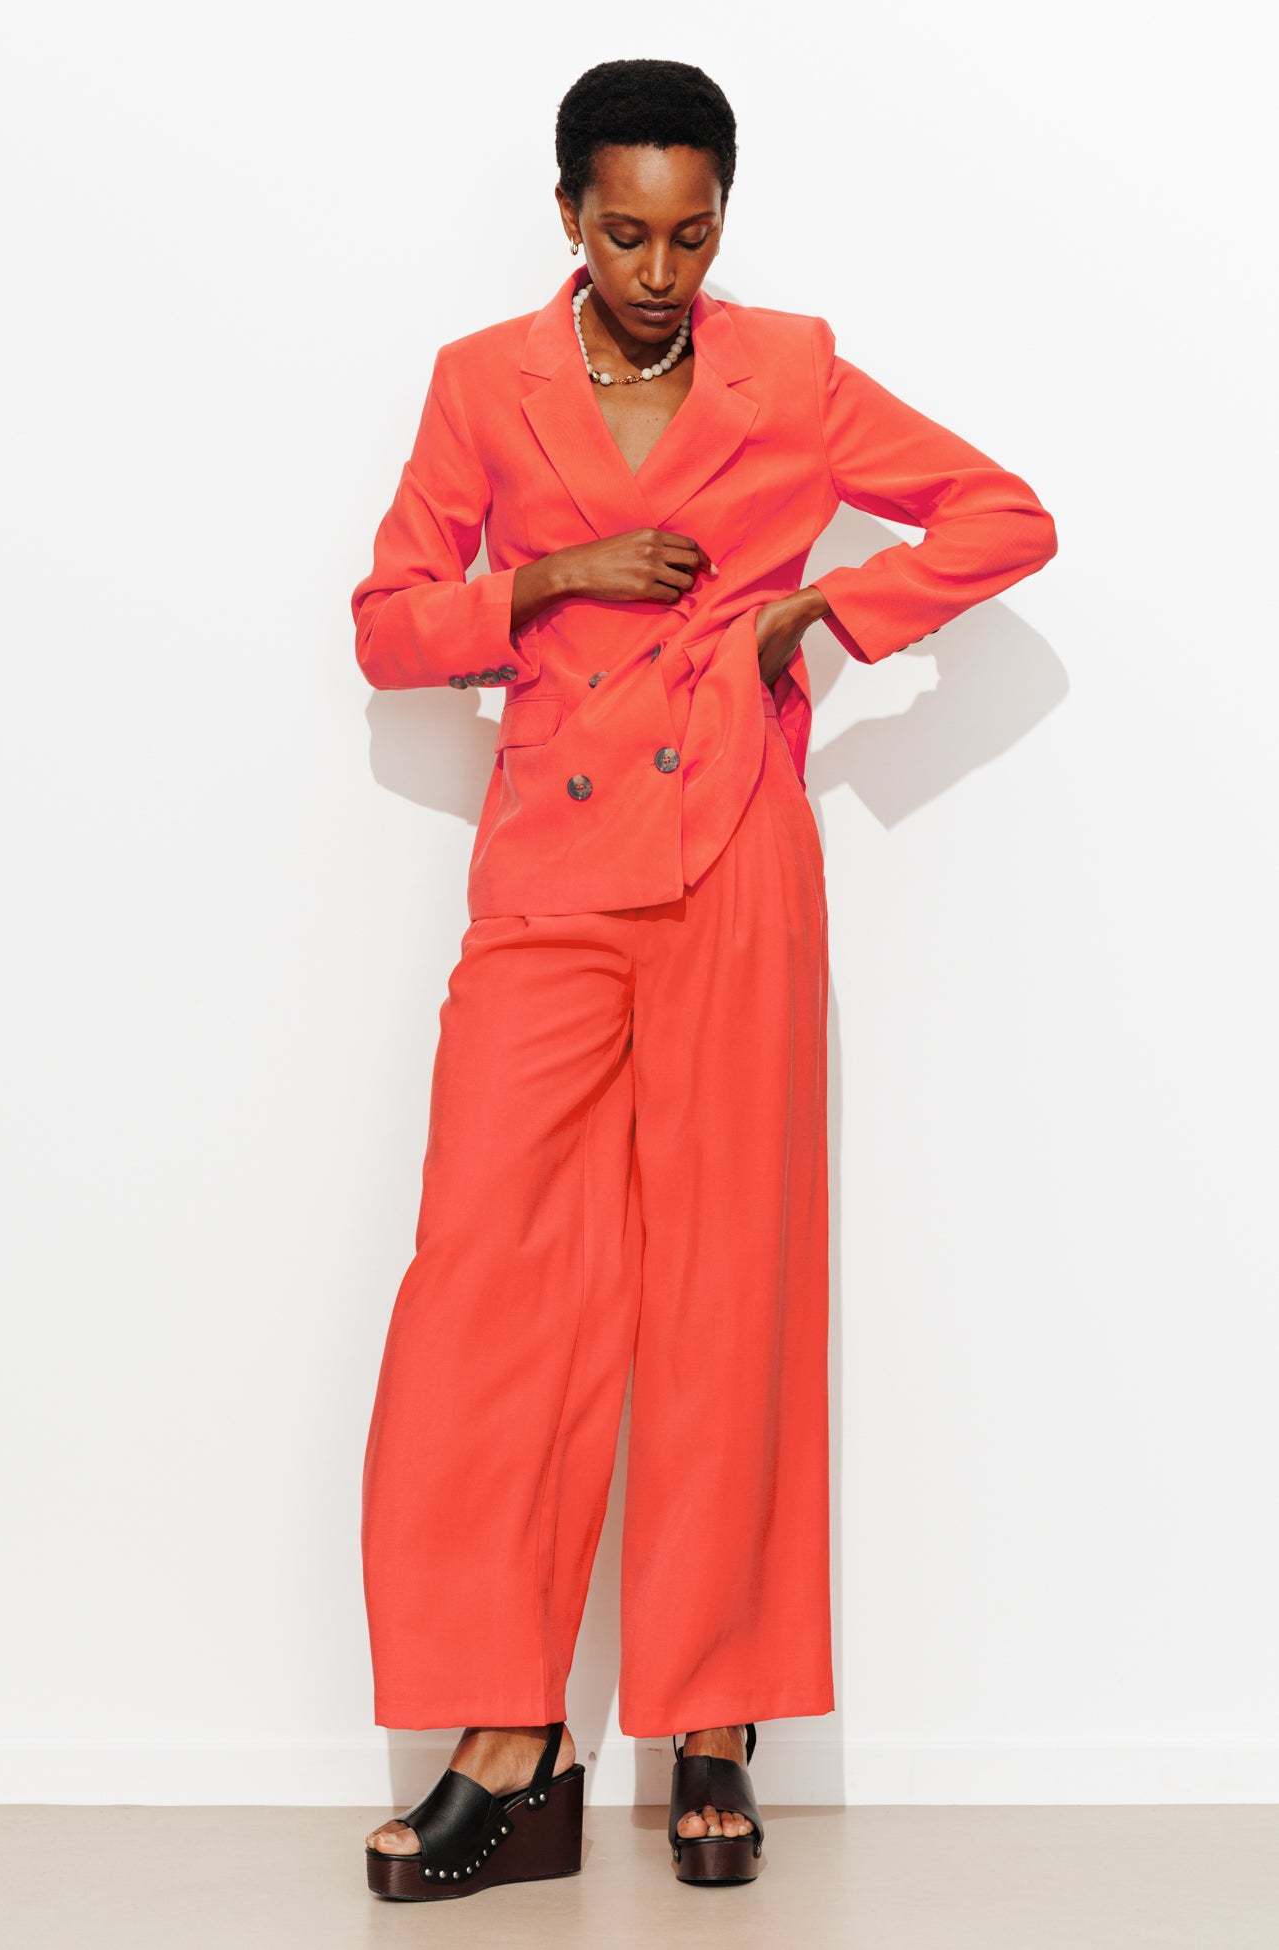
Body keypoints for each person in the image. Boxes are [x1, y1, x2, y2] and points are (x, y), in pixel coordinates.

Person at [349, 57, 1058, 1901]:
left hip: (737, 861)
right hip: (548, 877)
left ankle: (714, 1721)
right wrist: (545, 579)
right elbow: (389, 620)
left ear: (724, 215)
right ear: (567, 217)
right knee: (488, 1282)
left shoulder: (792, 374)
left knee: (727, 1283)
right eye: (625, 232)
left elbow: (1002, 514)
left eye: (692, 232)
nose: (661, 271)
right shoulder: (482, 383)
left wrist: (827, 610)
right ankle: (508, 1736)